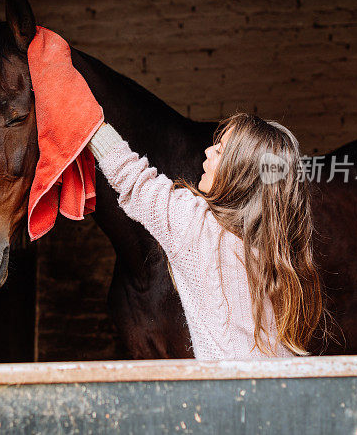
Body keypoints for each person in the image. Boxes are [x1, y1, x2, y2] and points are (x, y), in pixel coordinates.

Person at [86, 112, 326, 360]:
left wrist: (87, 119)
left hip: (231, 394)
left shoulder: (200, 232)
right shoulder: (279, 251)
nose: (209, 151)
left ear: (240, 173)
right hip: (285, 389)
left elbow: (133, 178)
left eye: (220, 151)